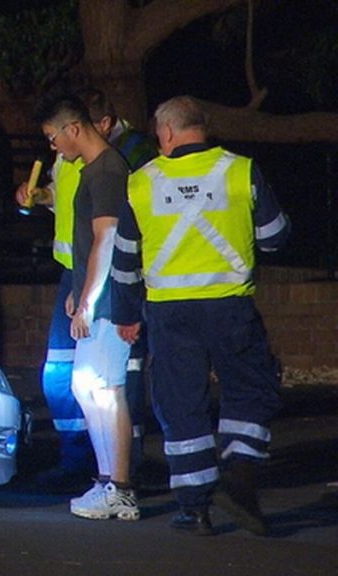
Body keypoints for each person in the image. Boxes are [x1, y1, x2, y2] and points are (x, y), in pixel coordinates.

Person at [111, 96, 289, 536]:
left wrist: (126, 314)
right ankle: (239, 467)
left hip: (169, 313)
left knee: (180, 404)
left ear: (167, 132)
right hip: (231, 307)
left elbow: (124, 261)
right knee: (250, 389)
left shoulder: (141, 182)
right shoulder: (240, 170)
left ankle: (197, 509)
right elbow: (275, 237)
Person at [16, 88, 156, 491]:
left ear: (74, 128)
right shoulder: (91, 167)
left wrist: (88, 301)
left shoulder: (109, 169)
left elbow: (106, 239)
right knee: (86, 384)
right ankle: (105, 479)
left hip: (110, 295)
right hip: (92, 289)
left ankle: (119, 485)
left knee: (107, 388)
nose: (52, 146)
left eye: (53, 136)